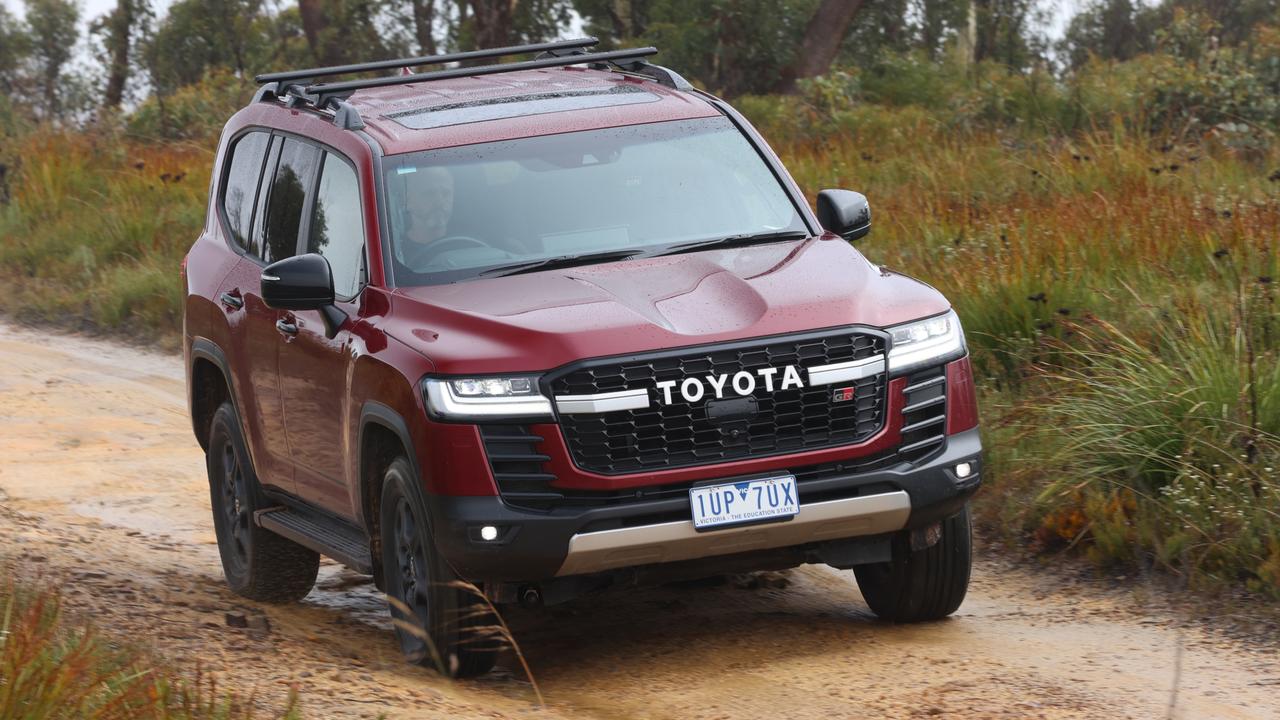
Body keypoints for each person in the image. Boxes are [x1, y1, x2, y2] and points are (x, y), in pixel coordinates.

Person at [394, 165, 455, 270]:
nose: (440, 201)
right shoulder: (395, 256)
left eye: (446, 193)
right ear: (407, 201)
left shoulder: (473, 246)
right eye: (429, 193)